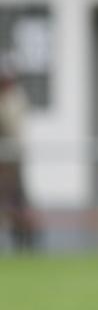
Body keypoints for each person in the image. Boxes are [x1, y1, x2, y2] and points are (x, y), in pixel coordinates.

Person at [0, 59, 38, 250]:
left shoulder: (16, 99)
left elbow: (11, 127)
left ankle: (25, 241)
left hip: (13, 159)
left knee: (18, 202)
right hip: (2, 160)